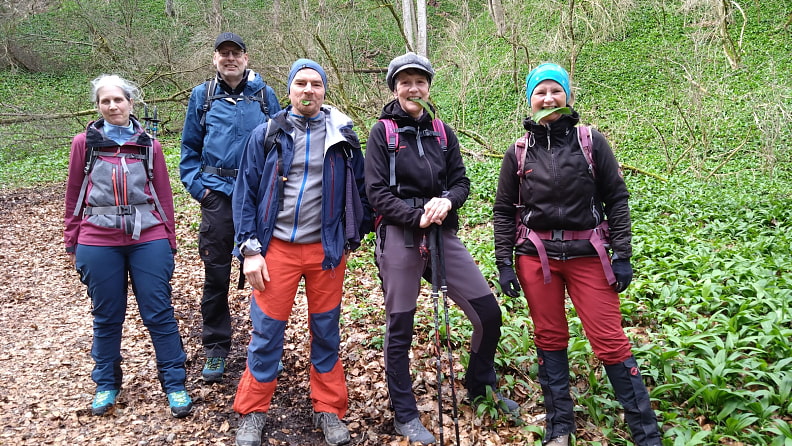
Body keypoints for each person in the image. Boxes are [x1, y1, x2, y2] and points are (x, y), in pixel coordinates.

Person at [493, 62, 662, 446]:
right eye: (540, 92)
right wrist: (505, 263)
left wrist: (623, 255)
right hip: (536, 256)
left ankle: (646, 435)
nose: (548, 98)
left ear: (567, 95)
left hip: (589, 254)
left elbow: (616, 199)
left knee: (610, 339)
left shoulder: (591, 141)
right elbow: (504, 210)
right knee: (549, 337)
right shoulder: (519, 152)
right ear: (530, 99)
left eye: (555, 90)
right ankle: (559, 427)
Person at [364, 52, 520, 445]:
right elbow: (376, 193)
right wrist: (414, 215)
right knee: (400, 325)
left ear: (429, 86)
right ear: (394, 88)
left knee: (488, 312)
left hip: (442, 234)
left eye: (420, 81)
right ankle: (404, 413)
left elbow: (461, 182)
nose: (413, 88)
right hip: (401, 234)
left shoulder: (443, 132)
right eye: (405, 81)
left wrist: (448, 200)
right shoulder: (382, 133)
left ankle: (480, 383)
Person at [231, 59, 371, 446]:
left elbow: (362, 191)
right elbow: (244, 195)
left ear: (324, 90)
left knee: (326, 331)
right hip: (275, 250)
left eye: (315, 84)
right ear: (289, 89)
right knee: (267, 332)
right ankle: (252, 411)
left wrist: (355, 235)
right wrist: (249, 249)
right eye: (301, 83)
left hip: (326, 253)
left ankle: (329, 408)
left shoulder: (343, 137)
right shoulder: (266, 134)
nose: (308, 90)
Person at [64, 74, 192, 418]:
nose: (112, 106)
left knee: (159, 313)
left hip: (147, 238)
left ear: (130, 103)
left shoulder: (149, 145)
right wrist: (72, 241)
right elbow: (74, 193)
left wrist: (170, 239)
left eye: (118, 100)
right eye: (105, 101)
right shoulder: (84, 144)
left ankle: (175, 383)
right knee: (106, 317)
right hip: (97, 238)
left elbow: (163, 195)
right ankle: (106, 383)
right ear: (98, 107)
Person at [180, 32, 281, 383]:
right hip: (218, 195)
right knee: (217, 276)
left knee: (266, 275)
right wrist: (202, 192)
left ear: (246, 58)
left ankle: (265, 349)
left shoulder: (265, 97)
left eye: (235, 53)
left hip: (256, 196)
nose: (229, 59)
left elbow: (281, 145)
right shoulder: (202, 97)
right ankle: (216, 349)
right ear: (215, 59)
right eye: (223, 54)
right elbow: (189, 151)